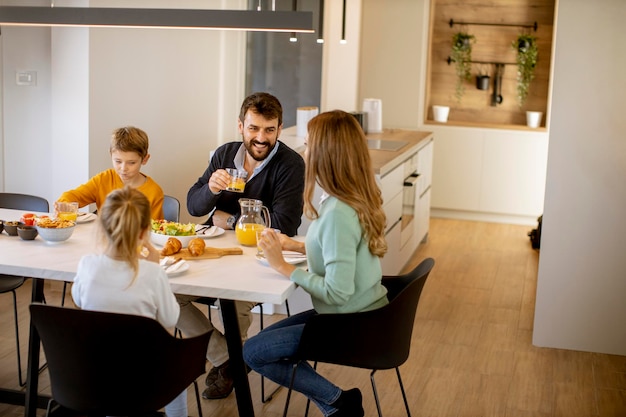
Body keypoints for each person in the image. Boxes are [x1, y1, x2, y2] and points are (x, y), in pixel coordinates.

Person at [243, 110, 389, 417]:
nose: (303, 151)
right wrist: (294, 244)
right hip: (365, 313)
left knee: (253, 352)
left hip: (348, 323)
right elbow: (341, 250)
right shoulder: (351, 198)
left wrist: (282, 265)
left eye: (308, 144)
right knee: (262, 344)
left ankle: (340, 400)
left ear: (326, 153)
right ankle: (337, 409)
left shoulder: (337, 212)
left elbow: (337, 292)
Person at [180, 92, 305, 400]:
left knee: (233, 301)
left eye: (269, 130)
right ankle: (229, 359)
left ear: (279, 128)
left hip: (259, 259)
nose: (261, 138)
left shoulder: (290, 164)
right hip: (213, 253)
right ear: (240, 126)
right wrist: (210, 189)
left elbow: (285, 224)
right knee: (167, 293)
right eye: (253, 129)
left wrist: (230, 220)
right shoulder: (224, 154)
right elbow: (194, 207)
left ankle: (231, 363)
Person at [71, 186, 190, 417]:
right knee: (177, 368)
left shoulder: (87, 265)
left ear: (102, 226)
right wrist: (155, 267)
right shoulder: (152, 273)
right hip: (142, 372)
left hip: (94, 367)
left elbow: (79, 299)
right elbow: (171, 318)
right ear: (145, 231)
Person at [57, 126, 164, 220]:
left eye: (131, 163)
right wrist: (64, 203)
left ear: (145, 159)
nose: (123, 168)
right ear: (111, 155)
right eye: (118, 161)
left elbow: (153, 230)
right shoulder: (104, 179)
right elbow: (73, 196)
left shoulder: (154, 192)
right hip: (102, 239)